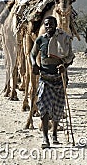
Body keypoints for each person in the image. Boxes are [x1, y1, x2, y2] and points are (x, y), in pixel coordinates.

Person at [30, 15, 75, 149]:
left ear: (56, 25)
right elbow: (32, 54)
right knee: (44, 108)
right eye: (46, 24)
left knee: (57, 108)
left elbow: (70, 57)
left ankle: (54, 134)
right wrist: (34, 64)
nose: (49, 27)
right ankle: (45, 138)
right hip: (45, 78)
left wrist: (64, 66)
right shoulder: (41, 39)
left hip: (59, 79)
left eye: (51, 24)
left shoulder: (64, 39)